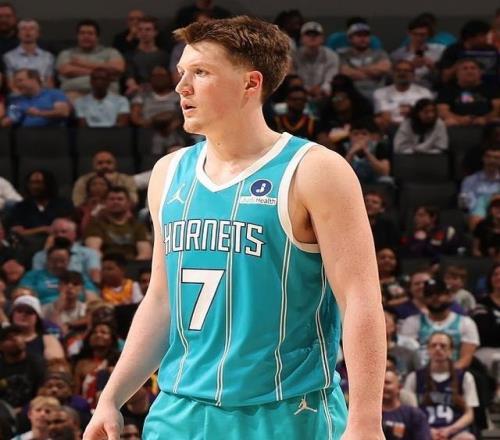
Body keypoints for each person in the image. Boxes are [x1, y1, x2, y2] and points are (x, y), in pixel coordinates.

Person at [83, 16, 386, 440]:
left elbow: (360, 300)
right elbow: (162, 301)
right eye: (182, 73)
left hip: (286, 411)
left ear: (250, 83)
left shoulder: (315, 170)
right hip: (179, 410)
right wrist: (111, 397)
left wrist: (366, 421)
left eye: (200, 72)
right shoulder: (168, 173)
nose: (181, 87)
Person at [404, 332, 479, 440]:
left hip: (454, 432)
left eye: (443, 346)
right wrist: (427, 430)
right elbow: (411, 412)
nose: (438, 349)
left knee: (467, 438)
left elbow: (469, 414)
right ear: (428, 350)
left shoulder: (465, 377)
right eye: (433, 345)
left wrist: (449, 430)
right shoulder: (414, 377)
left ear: (451, 351)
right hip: (423, 431)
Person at [400, 278, 480, 369]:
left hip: (455, 372)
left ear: (449, 296)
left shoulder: (466, 323)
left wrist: (445, 373)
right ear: (424, 299)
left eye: (439, 293)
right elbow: (407, 356)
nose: (435, 298)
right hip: (420, 372)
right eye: (429, 294)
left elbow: (465, 359)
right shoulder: (412, 322)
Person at [56, 19, 125, 101]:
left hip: (106, 93)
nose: (86, 36)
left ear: (97, 37)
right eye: (82, 33)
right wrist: (103, 75)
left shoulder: (111, 52)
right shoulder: (66, 53)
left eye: (90, 33)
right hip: (75, 92)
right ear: (77, 36)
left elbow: (117, 68)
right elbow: (67, 70)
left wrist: (82, 63)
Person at [20, 240, 98, 305]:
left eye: (62, 261)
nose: (58, 265)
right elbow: (22, 295)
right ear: (47, 260)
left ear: (69, 261)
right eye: (54, 261)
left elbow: (92, 299)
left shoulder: (79, 277)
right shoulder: (33, 276)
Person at [83, 187, 152, 261]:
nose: (115, 202)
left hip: (133, 265)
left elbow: (145, 253)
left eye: (120, 199)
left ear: (128, 203)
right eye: (111, 199)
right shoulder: (96, 225)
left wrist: (132, 266)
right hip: (105, 264)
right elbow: (94, 251)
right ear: (105, 202)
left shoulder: (138, 226)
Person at [32, 218, 101, 284]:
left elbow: (95, 277)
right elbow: (36, 279)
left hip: (80, 288)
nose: (59, 235)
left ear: (74, 234)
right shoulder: (40, 256)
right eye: (55, 232)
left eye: (63, 232)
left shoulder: (89, 254)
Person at [437, 59, 500, 127]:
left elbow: (498, 108)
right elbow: (442, 111)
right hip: (456, 125)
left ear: (480, 72)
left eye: (473, 68)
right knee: (448, 122)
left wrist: (485, 119)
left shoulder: (491, 88)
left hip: (486, 125)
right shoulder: (447, 90)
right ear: (457, 73)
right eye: (465, 68)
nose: (469, 71)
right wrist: (460, 120)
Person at [339, 21, 391, 99]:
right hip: (352, 92)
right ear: (350, 38)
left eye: (366, 35)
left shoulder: (380, 53)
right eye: (359, 35)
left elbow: (384, 68)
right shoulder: (343, 55)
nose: (363, 38)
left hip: (376, 92)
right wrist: (372, 71)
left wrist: (356, 70)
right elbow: (345, 72)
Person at [1, 69, 70, 127]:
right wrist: (6, 121)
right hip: (25, 135)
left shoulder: (54, 93)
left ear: (33, 79)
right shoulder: (15, 100)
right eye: (15, 82)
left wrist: (39, 113)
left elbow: (63, 112)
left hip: (52, 133)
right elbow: (11, 118)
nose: (17, 84)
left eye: (20, 80)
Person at [373, 60, 433, 128]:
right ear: (392, 73)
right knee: (378, 120)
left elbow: (427, 115)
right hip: (392, 128)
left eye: (406, 71)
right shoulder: (380, 93)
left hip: (418, 127)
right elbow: (385, 118)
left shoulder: (424, 92)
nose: (402, 73)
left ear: (413, 75)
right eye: (398, 70)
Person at [438, 20, 498, 86]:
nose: (486, 38)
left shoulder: (491, 49)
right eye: (482, 35)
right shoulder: (453, 50)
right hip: (456, 86)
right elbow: (445, 78)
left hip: (488, 86)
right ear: (470, 37)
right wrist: (460, 64)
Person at [391, 16, 445, 89]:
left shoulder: (439, 50)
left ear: (428, 34)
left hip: (432, 89)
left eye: (422, 35)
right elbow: (392, 79)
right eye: (415, 34)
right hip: (407, 89)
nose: (418, 38)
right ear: (409, 33)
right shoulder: (397, 55)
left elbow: (445, 77)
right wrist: (411, 66)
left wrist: (432, 66)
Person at [0, 324, 46, 411]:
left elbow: (42, 395)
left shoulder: (38, 363)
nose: (15, 339)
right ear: (1, 346)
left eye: (17, 335)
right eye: (9, 338)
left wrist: (23, 410)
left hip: (32, 411)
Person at [292, 21, 340, 99]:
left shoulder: (332, 55)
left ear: (322, 39)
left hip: (324, 95)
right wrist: (306, 89)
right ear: (301, 39)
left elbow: (330, 79)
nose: (312, 37)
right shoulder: (295, 56)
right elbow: (294, 78)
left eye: (316, 34)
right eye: (308, 34)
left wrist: (322, 89)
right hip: (301, 93)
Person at [72, 151, 138, 207]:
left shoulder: (127, 180)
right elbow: (78, 203)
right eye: (100, 163)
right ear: (93, 165)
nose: (104, 166)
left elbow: (133, 201)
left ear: (115, 164)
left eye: (109, 162)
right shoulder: (83, 180)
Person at [3, 19, 54, 91]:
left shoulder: (48, 57)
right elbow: (11, 84)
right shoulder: (8, 57)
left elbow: (49, 83)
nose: (28, 31)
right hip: (19, 94)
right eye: (23, 29)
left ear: (38, 34)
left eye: (32, 28)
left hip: (43, 94)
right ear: (18, 34)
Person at [9, 295, 65, 360]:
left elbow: (56, 363)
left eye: (29, 312)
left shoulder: (48, 340)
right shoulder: (3, 337)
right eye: (19, 311)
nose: (23, 314)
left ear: (37, 318)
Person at [124, 17, 169, 97]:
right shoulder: (130, 55)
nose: (143, 32)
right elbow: (130, 79)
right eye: (140, 29)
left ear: (155, 32)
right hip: (138, 93)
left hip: (160, 93)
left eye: (148, 29)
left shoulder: (164, 56)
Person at [382, 369, 431, 440]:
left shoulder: (414, 415)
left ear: (399, 387)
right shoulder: (369, 414)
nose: (383, 386)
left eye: (387, 383)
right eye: (380, 383)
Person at [459, 145, 500, 217]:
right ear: (483, 158)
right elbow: (464, 206)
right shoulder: (469, 181)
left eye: (496, 158)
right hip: (477, 218)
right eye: (488, 157)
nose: (492, 161)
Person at [42, 271, 88, 335]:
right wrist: (57, 310)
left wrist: (69, 324)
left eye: (75, 284)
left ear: (81, 289)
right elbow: (54, 332)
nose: (70, 286)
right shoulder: (44, 310)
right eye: (66, 283)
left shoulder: (85, 309)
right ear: (59, 286)